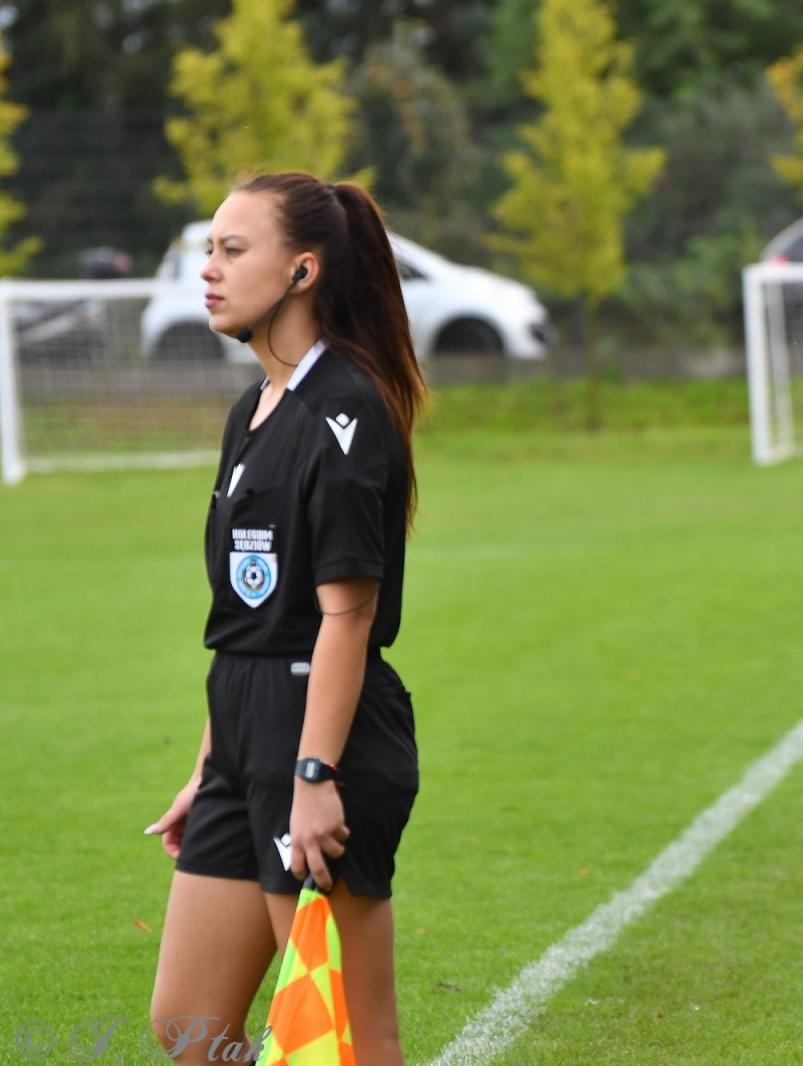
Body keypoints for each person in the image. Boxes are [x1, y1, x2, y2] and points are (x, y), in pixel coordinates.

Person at [144, 172, 426, 1065]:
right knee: (189, 1025)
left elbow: (348, 616)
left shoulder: (346, 409)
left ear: (303, 271)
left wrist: (313, 775)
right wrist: (209, 767)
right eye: (209, 250)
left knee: (346, 1036)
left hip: (321, 737)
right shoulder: (252, 409)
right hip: (244, 732)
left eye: (233, 250)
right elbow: (247, 621)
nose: (209, 269)